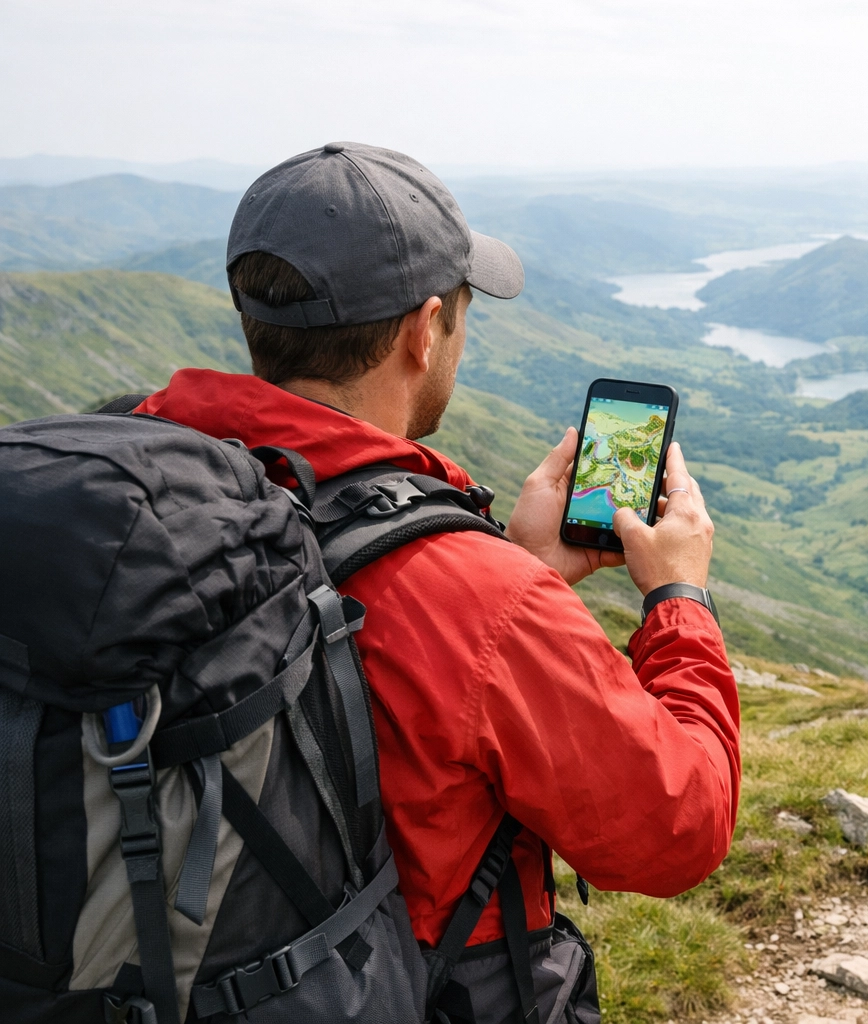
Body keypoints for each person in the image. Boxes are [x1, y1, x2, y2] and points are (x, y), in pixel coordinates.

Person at [136, 142, 741, 1021]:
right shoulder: (476, 600)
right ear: (425, 330)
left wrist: (520, 571)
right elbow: (672, 830)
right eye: (461, 312)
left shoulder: (149, 479)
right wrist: (678, 600)